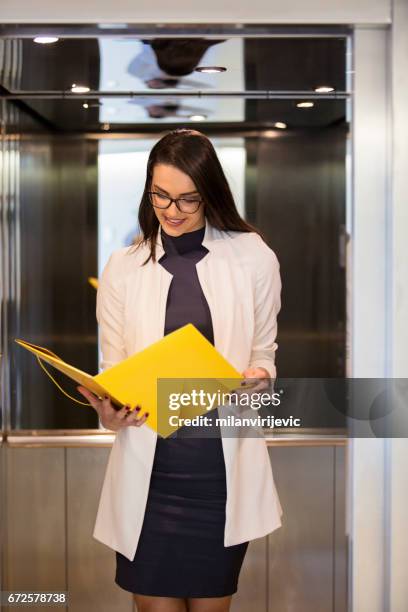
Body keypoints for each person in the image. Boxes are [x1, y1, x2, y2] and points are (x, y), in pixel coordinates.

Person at [77, 128, 283, 612]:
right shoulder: (123, 267)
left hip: (218, 476)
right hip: (149, 478)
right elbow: (114, 371)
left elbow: (265, 356)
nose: (172, 211)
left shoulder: (253, 256)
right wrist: (110, 413)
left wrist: (259, 377)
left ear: (210, 194)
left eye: (188, 200)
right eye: (161, 196)